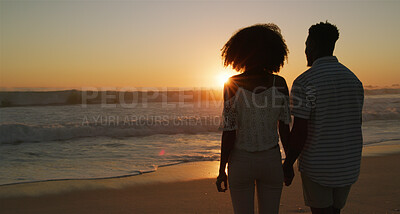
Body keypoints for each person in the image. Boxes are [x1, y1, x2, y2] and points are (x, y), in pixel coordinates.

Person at [283, 21, 364, 214]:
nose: (305, 51)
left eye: (306, 45)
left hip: (318, 165)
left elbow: (301, 130)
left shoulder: (305, 81)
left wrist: (288, 163)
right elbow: (352, 122)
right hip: (348, 162)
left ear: (312, 45)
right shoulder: (354, 80)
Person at [216, 23, 291, 214]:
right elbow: (284, 128)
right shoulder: (280, 83)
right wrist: (289, 163)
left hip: (241, 161)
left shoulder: (231, 84)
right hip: (271, 160)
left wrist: (222, 169)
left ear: (240, 53)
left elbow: (230, 131)